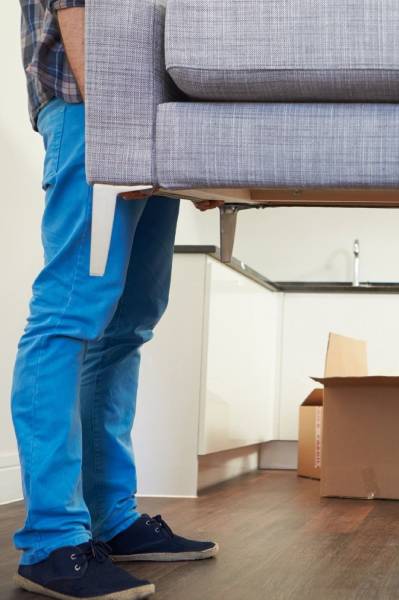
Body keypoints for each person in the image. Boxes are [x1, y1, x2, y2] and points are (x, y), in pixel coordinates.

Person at [14, 2, 220, 598]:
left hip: (148, 128)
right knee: (68, 318)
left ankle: (114, 520)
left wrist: (195, 157)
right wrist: (116, 131)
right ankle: (52, 540)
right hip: (92, 116)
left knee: (129, 323)